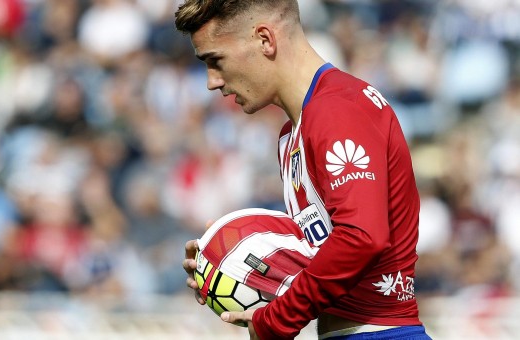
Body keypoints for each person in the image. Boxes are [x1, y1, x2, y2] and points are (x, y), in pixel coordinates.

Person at [175, 1, 431, 339]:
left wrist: (278, 319)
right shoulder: (293, 132)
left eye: (215, 60)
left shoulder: (337, 110)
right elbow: (321, 252)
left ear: (265, 39)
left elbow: (361, 238)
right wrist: (224, 257)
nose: (212, 81)